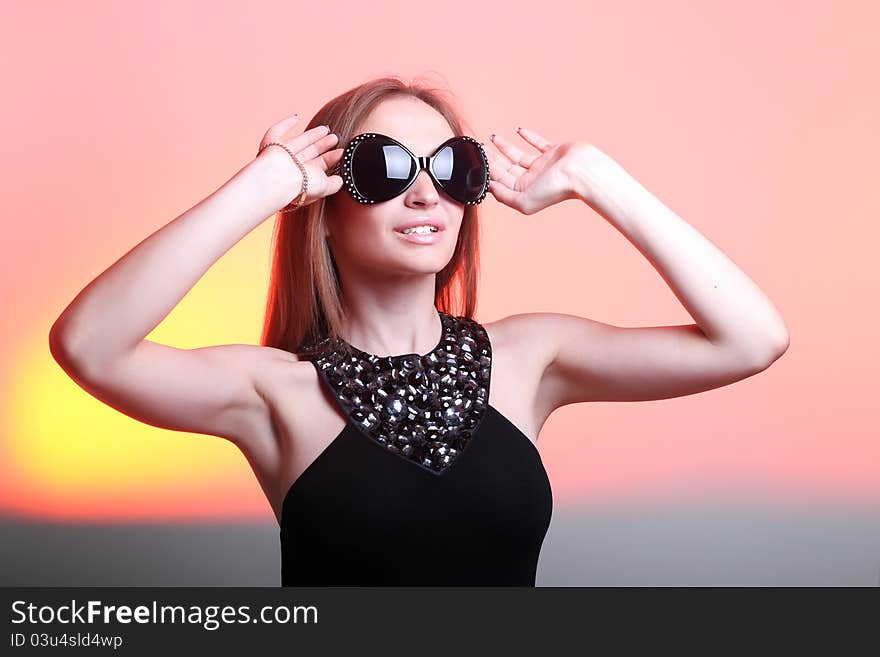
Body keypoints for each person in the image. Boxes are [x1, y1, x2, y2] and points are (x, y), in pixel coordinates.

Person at [48, 75, 789, 587]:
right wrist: (263, 187)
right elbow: (88, 344)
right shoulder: (276, 392)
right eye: (386, 166)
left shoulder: (530, 358)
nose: (425, 188)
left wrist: (598, 178)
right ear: (327, 207)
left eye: (451, 166)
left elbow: (752, 338)